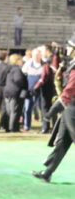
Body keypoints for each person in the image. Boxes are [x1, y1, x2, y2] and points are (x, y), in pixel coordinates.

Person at [33, 32, 75, 182]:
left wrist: (50, 113)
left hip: (72, 108)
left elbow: (69, 91)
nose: (68, 49)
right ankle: (48, 172)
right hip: (69, 108)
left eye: (71, 47)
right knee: (61, 141)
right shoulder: (72, 63)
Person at [4, 54, 27, 133]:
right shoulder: (17, 69)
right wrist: (23, 84)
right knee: (15, 110)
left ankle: (8, 127)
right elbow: (18, 79)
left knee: (9, 111)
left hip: (7, 91)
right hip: (15, 91)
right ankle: (13, 128)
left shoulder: (9, 68)